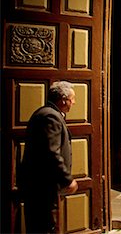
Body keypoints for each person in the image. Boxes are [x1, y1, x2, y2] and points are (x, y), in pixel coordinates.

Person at [18, 81, 78, 233]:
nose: (74, 103)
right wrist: (67, 179)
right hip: (42, 185)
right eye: (72, 99)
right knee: (45, 226)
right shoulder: (50, 117)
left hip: (40, 185)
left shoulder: (47, 113)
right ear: (63, 99)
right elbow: (51, 152)